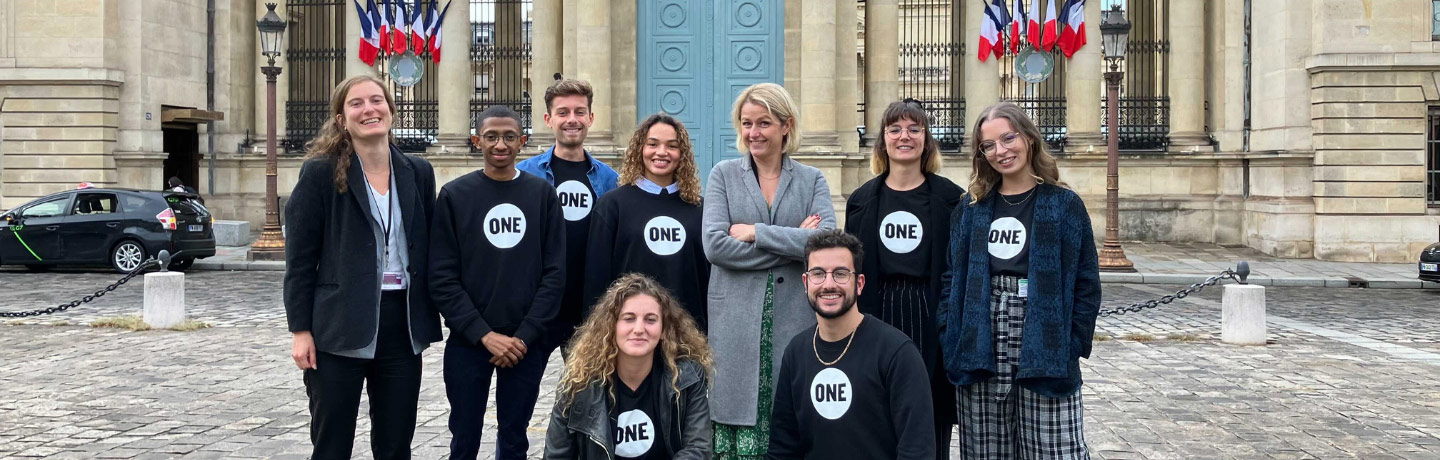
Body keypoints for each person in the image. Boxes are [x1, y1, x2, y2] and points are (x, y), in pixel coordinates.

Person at [282, 75, 441, 460]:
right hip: (338, 326)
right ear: (342, 119)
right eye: (357, 104)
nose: (369, 109)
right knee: (333, 441)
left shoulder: (418, 172)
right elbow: (300, 261)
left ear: (391, 108)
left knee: (395, 441)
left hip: (401, 325)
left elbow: (428, 246)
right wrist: (300, 330)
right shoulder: (320, 173)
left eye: (376, 100)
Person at [939, 101, 1101, 459]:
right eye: (989, 145)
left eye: (1008, 138)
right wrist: (950, 333)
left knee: (1055, 447)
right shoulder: (972, 207)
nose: (1001, 150)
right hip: (979, 338)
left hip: (1044, 337)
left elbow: (1086, 282)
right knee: (985, 450)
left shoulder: (1063, 204)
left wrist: (1071, 344)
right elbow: (953, 276)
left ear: (1028, 138)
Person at [702, 82, 836, 460]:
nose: (753, 133)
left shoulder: (812, 179)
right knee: (736, 411)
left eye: (764, 123)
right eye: (746, 123)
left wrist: (755, 233)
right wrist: (794, 244)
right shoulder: (723, 175)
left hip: (794, 316)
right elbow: (715, 247)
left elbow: (825, 242)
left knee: (792, 413)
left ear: (785, 125)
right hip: (736, 322)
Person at [429, 105, 567, 460]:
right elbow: (442, 277)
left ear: (522, 141)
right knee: (464, 435)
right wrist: (483, 335)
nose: (500, 144)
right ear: (477, 141)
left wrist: (523, 336)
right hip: (469, 341)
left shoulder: (541, 195)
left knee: (514, 437)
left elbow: (554, 274)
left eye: (509, 136)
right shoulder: (455, 196)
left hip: (525, 344)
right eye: (491, 136)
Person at [844, 100, 964, 459]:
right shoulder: (863, 200)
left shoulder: (952, 199)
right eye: (895, 129)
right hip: (879, 312)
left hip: (931, 313)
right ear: (883, 141)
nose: (904, 136)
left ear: (926, 140)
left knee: (930, 419)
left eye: (914, 129)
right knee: (877, 412)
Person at [769, 230, 935, 460]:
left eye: (840, 273)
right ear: (806, 283)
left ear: (859, 283)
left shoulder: (897, 353)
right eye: (818, 273)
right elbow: (782, 449)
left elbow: (917, 451)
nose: (828, 284)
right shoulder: (796, 352)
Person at [544, 273, 716, 460]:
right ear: (611, 327)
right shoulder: (578, 381)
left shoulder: (686, 377)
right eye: (629, 318)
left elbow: (698, 449)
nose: (639, 329)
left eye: (650, 319)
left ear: (664, 330)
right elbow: (556, 455)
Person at [517, 78, 621, 359]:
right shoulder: (523, 175)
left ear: (591, 118)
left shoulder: (610, 180)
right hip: (535, 307)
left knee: (586, 397)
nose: (571, 120)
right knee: (521, 397)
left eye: (579, 112)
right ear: (548, 119)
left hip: (586, 308)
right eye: (563, 112)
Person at [584, 114, 710, 332]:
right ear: (640, 149)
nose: (661, 152)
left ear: (683, 155)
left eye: (672, 146)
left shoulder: (701, 208)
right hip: (632, 331)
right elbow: (596, 277)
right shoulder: (612, 205)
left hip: (688, 333)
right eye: (653, 144)